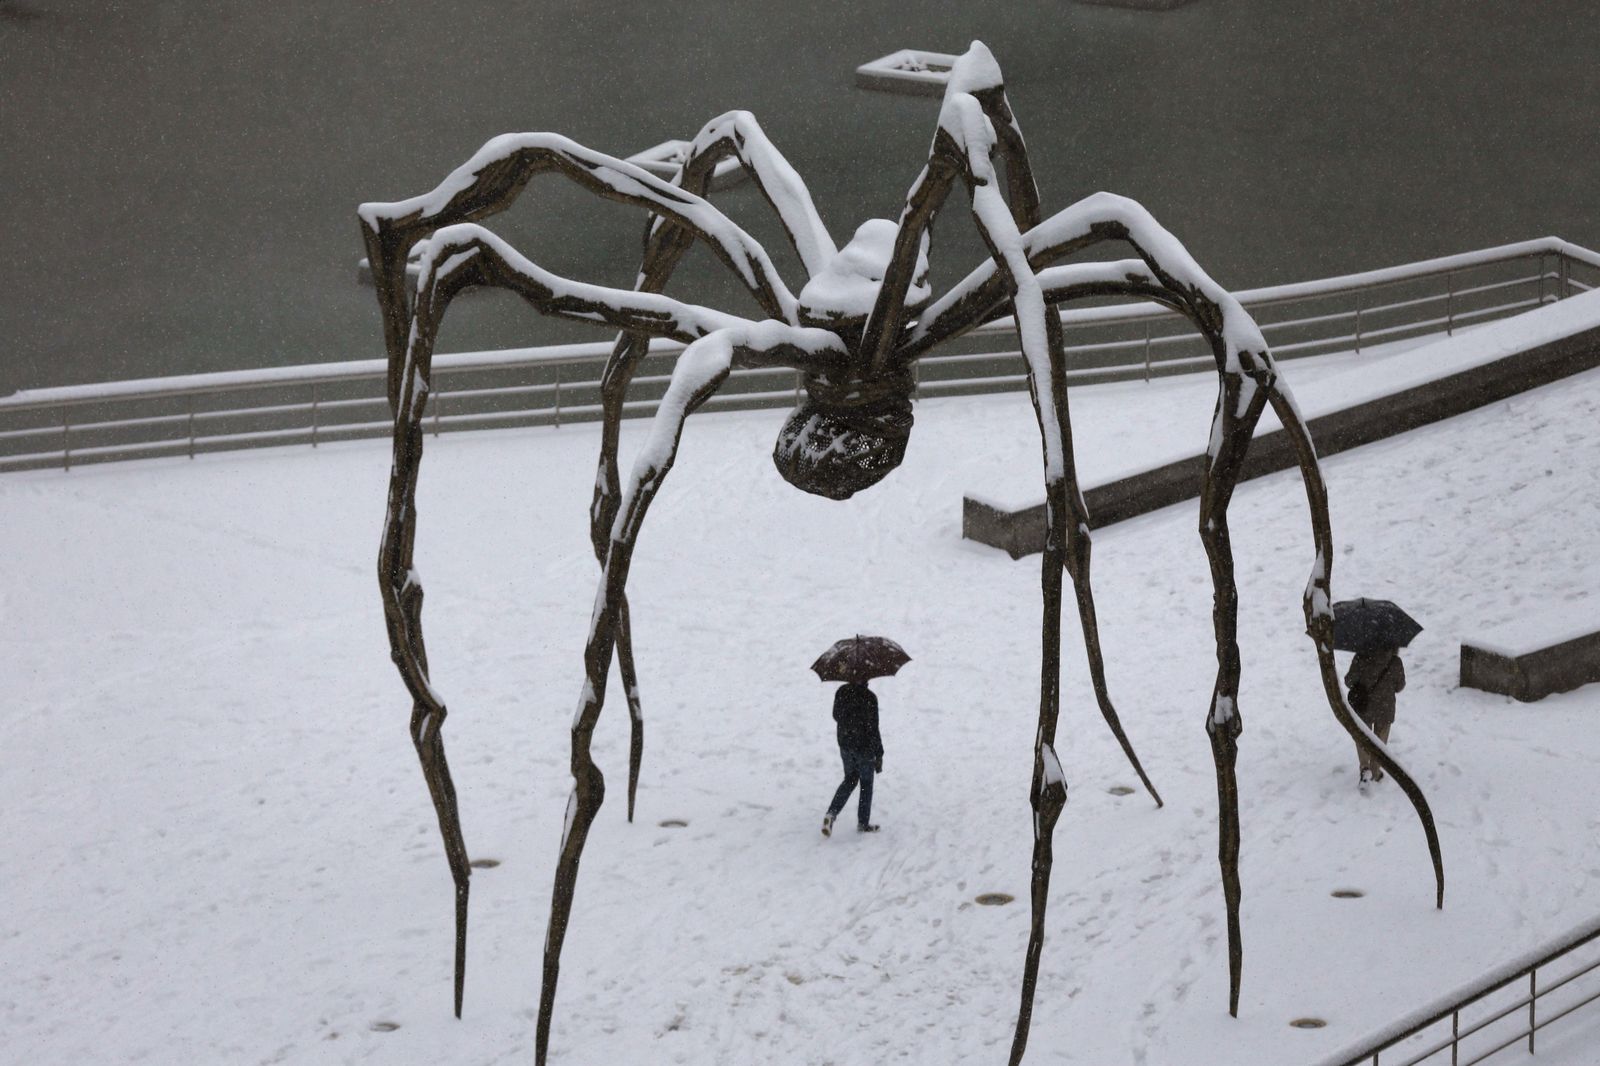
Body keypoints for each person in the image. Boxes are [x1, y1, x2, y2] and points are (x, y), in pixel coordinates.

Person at [822, 678, 884, 836]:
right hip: (864, 748)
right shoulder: (870, 697)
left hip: (845, 745)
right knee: (866, 784)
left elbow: (836, 716)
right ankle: (863, 823)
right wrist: (879, 753)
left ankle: (831, 814)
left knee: (850, 779)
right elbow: (874, 728)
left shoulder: (842, 691)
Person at [1345, 646, 1406, 788]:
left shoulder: (1361, 657)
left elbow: (1349, 681)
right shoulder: (1395, 661)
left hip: (1364, 706)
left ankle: (1365, 768)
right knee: (1380, 740)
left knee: (1362, 738)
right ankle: (1375, 771)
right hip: (1385, 708)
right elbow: (1400, 686)